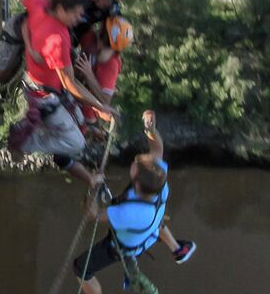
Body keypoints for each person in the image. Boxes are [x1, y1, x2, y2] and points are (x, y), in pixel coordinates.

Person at [73, 111, 195, 294]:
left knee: (81, 268)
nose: (135, 160)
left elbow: (92, 214)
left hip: (123, 245)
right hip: (149, 227)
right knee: (156, 219)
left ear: (136, 183)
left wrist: (92, 186)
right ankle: (177, 250)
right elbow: (157, 150)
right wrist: (151, 130)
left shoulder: (128, 212)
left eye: (136, 165)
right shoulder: (158, 181)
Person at [10, 0, 114, 188]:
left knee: (80, 120)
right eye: (75, 14)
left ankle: (40, 130)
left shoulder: (40, 6)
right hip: (44, 96)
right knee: (76, 143)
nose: (78, 20)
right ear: (59, 9)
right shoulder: (58, 39)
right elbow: (71, 84)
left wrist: (27, 37)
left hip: (39, 86)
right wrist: (100, 106)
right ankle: (24, 141)